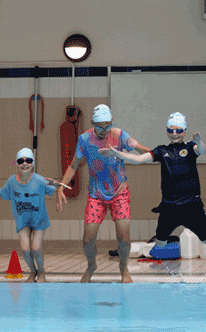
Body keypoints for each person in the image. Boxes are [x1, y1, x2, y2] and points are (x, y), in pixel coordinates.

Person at [55, 104, 150, 283]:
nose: (104, 130)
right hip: (96, 196)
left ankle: (123, 268)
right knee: (88, 238)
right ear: (92, 123)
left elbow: (140, 148)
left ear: (112, 122)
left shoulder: (120, 135)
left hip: (119, 193)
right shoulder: (84, 139)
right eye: (100, 126)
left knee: (124, 237)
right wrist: (61, 186)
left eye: (107, 125)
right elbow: (73, 165)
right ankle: (92, 265)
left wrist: (158, 153)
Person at [99, 112, 206, 252]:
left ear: (184, 132)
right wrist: (117, 154)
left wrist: (199, 141)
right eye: (171, 130)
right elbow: (138, 160)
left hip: (191, 205)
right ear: (167, 131)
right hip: (169, 207)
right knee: (159, 243)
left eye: (179, 130)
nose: (174, 133)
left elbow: (202, 151)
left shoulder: (190, 148)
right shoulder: (161, 150)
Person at [0, 148, 65, 283]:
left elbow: (59, 188)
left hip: (39, 219)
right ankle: (32, 271)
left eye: (28, 160)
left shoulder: (40, 180)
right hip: (22, 220)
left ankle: (41, 272)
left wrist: (58, 185)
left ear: (33, 163)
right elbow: (0, 194)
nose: (25, 163)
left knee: (35, 248)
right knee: (25, 249)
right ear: (16, 163)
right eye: (20, 161)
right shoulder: (12, 182)